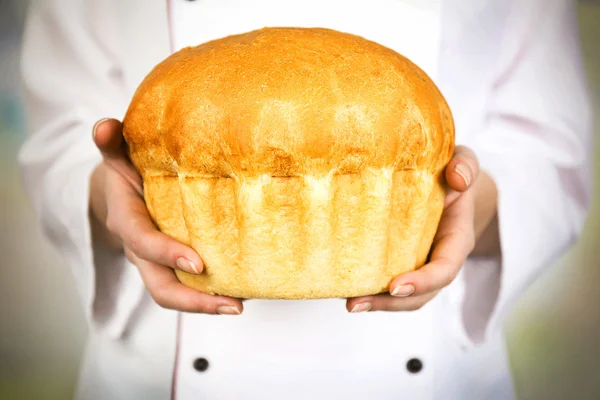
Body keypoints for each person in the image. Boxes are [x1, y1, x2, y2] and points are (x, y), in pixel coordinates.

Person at [18, 0, 592, 399]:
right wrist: (107, 194)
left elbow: (549, 147)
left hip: (426, 373)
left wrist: (473, 199)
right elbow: (59, 132)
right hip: (159, 368)